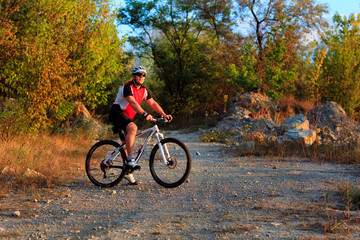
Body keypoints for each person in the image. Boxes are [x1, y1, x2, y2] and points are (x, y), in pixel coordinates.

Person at [109, 66, 173, 185]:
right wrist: (145, 114)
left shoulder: (144, 90)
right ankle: (130, 159)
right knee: (133, 128)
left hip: (126, 117)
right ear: (133, 76)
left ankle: (127, 171)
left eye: (144, 75)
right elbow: (132, 102)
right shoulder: (127, 87)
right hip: (116, 114)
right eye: (139, 74)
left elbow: (153, 103)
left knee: (127, 143)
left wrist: (164, 114)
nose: (141, 77)